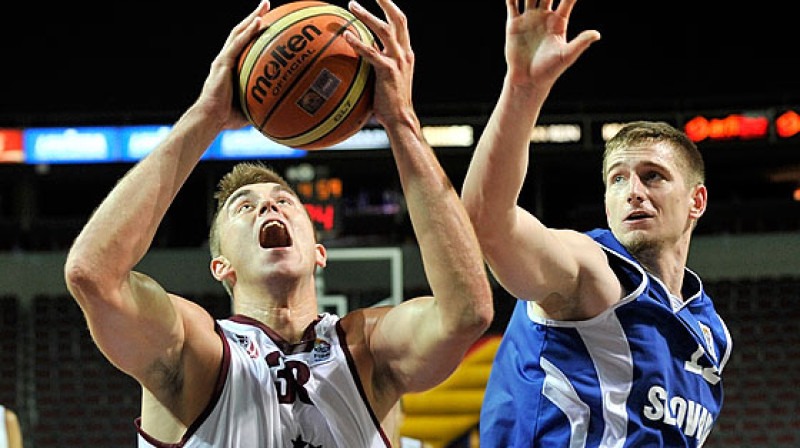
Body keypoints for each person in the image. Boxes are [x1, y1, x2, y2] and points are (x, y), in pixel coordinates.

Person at [63, 0, 493, 446]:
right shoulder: (197, 353)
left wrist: (401, 121)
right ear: (221, 266)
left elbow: (467, 312)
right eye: (243, 206)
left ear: (319, 252)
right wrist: (204, 117)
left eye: (285, 201)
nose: (269, 207)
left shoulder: (368, 350)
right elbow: (92, 274)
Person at [461, 0, 732, 446]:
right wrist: (523, 89)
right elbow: (486, 220)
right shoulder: (590, 270)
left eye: (653, 177)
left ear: (696, 201)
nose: (633, 191)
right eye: (618, 179)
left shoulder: (713, 334)